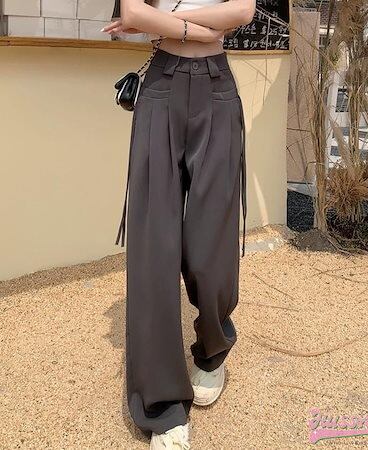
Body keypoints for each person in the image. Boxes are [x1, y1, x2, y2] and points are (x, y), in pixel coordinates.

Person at [102, 0, 255, 447]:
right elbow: (133, 13)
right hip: (161, 89)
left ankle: (212, 350)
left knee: (212, 249)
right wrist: (200, 30)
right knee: (154, 249)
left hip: (218, 89)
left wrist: (170, 24)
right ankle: (161, 406)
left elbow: (243, 11)